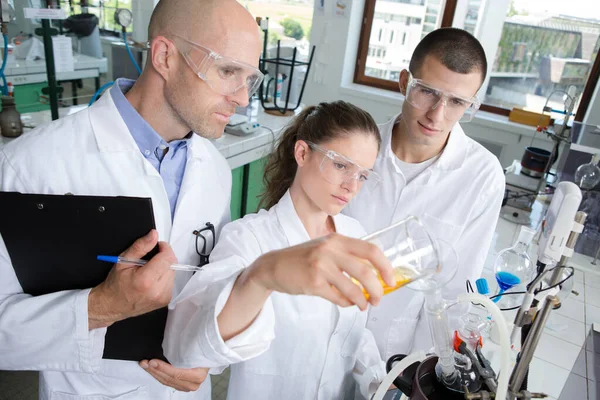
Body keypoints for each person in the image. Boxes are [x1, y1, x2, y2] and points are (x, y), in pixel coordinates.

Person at [0, 1, 393, 398]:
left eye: (249, 78)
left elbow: (206, 296)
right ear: (165, 56)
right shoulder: (30, 165)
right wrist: (102, 305)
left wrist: (206, 357)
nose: (242, 97)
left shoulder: (213, 170)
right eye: (227, 71)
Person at [164, 101, 394, 399]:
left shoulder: (356, 236)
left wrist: (378, 383)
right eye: (341, 165)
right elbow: (193, 345)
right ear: (302, 153)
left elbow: (352, 335)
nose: (352, 186)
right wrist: (261, 276)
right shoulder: (249, 238)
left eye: (363, 175)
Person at [344, 28, 506, 361]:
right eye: (427, 92)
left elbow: (456, 288)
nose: (437, 114)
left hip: (395, 357)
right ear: (405, 82)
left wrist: (419, 369)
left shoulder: (482, 176)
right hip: (322, 331)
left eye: (457, 102)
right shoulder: (354, 148)